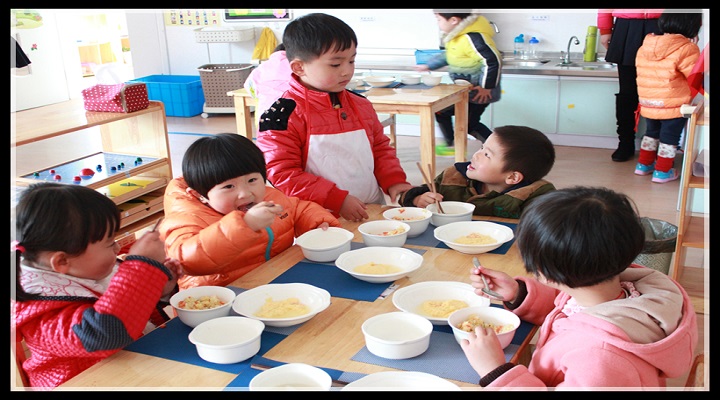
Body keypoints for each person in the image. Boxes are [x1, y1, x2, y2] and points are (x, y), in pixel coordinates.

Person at [461, 186, 698, 388]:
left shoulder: (599, 359)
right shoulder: (630, 292)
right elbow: (572, 310)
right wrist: (518, 293)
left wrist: (495, 371)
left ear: (546, 273)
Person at [11, 182, 182, 389]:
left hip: (130, 368)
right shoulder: (37, 312)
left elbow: (125, 305)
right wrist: (142, 268)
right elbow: (105, 332)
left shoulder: (82, 268)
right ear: (62, 262)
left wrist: (160, 289)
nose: (118, 247)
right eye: (110, 243)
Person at [255, 13, 413, 222]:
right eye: (335, 64)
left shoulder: (361, 104)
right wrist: (336, 199)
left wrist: (395, 183)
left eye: (352, 60)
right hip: (314, 218)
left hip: (370, 208)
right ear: (299, 67)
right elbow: (282, 173)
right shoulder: (281, 115)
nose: (347, 71)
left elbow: (380, 150)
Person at [160, 133, 340, 289]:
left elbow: (297, 209)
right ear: (200, 195)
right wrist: (245, 225)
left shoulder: (269, 197)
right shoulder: (186, 218)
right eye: (229, 186)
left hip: (270, 285)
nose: (245, 193)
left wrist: (317, 222)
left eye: (252, 180)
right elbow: (186, 260)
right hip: (215, 305)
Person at [399, 125, 555, 219]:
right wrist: (418, 199)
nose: (476, 155)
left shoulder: (536, 197)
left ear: (512, 177)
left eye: (487, 154)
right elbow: (408, 198)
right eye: (481, 148)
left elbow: (548, 230)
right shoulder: (454, 177)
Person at [415, 10, 502, 157]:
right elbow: (449, 56)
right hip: (464, 91)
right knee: (440, 111)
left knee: (470, 125)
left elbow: (493, 61)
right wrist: (429, 65)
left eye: (439, 20)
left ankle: (498, 151)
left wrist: (486, 87)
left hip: (479, 92)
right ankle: (450, 145)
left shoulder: (472, 37)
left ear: (454, 20)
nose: (438, 23)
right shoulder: (455, 37)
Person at [634, 12, 702, 183]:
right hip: (673, 104)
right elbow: (694, 76)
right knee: (669, 138)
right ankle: (662, 171)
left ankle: (643, 165)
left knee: (651, 133)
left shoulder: (646, 45)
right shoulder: (687, 48)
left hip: (649, 102)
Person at [598, 9, 663, 162]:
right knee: (627, 93)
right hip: (626, 27)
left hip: (664, 25)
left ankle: (658, 145)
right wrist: (605, 29)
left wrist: (691, 25)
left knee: (661, 92)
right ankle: (625, 143)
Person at [243, 43, 291, 117]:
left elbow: (249, 86)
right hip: (292, 112)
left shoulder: (262, 67)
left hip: (265, 114)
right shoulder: (296, 66)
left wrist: (258, 96)